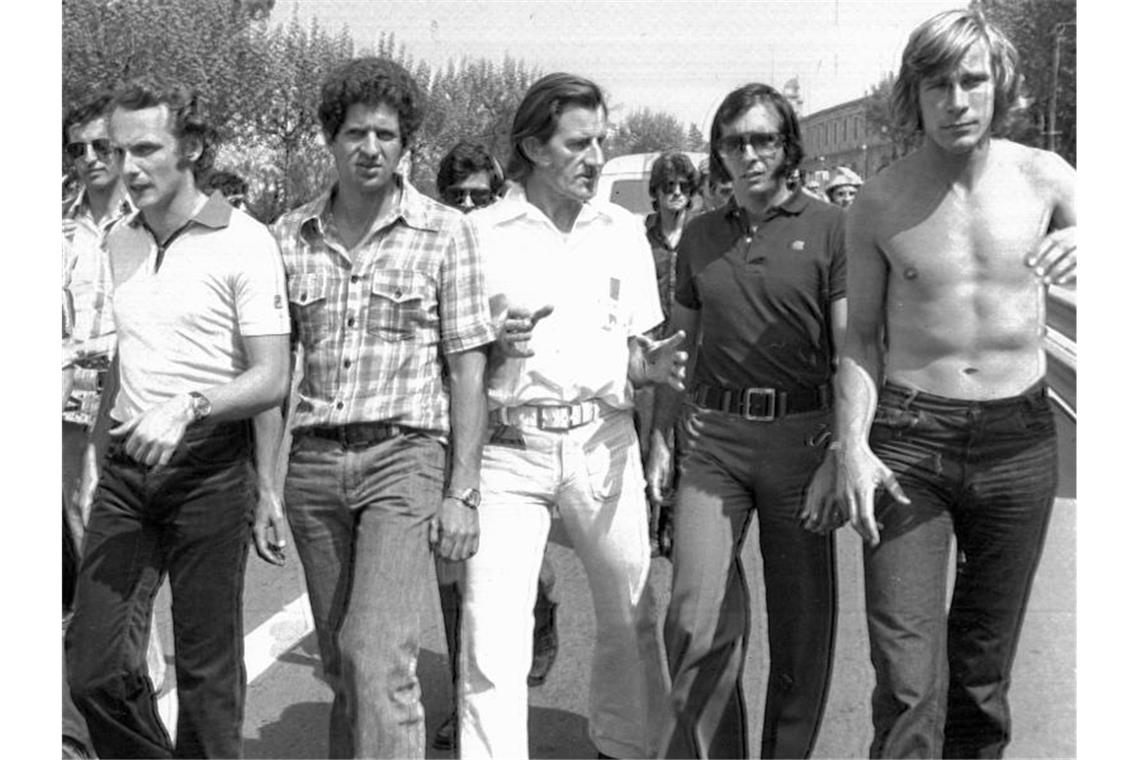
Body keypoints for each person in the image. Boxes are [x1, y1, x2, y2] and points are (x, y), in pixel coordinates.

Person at [805, 9, 1076, 757]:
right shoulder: (880, 200)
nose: (956, 100)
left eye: (971, 80)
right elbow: (859, 336)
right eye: (937, 85)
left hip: (1017, 444)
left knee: (982, 677)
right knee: (905, 677)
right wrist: (852, 447)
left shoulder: (1047, 177)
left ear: (999, 86)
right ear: (913, 96)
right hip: (909, 445)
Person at [266, 57, 496, 759]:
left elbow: (467, 368)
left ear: (406, 146)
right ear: (330, 140)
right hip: (313, 469)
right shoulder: (288, 235)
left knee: (377, 655)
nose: (371, 149)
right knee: (343, 664)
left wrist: (462, 491)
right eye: (356, 133)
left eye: (388, 136)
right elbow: (276, 374)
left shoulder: (444, 232)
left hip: (405, 460)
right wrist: (265, 490)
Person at [459, 72, 686, 759]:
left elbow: (641, 351)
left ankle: (624, 747)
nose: (596, 158)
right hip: (509, 450)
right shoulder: (478, 234)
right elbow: (458, 361)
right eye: (580, 144)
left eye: (601, 142)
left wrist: (646, 389)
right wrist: (497, 347)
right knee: (493, 635)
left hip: (603, 443)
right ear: (534, 145)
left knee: (631, 615)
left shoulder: (621, 233)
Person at [64, 77, 291, 758]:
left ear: (190, 146)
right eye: (116, 150)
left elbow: (271, 377)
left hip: (209, 470)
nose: (128, 168)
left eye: (146, 149)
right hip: (129, 472)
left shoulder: (245, 242)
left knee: (205, 673)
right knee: (94, 666)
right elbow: (126, 356)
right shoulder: (120, 241)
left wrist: (191, 408)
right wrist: (96, 458)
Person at [647, 83, 846, 759]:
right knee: (694, 621)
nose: (750, 154)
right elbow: (684, 345)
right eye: (735, 142)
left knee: (801, 632)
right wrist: (663, 440)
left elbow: (852, 350)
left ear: (788, 147)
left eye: (763, 139)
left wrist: (843, 450)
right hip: (715, 445)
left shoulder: (828, 227)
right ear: (719, 154)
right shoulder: (699, 237)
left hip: (804, 440)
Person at [429, 139, 561, 753]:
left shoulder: (513, 246)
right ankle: (463, 702)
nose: (467, 207)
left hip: (508, 431)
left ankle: (544, 602)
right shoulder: (430, 249)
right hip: (442, 433)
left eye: (480, 195)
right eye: (456, 196)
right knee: (456, 577)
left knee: (518, 572)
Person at [61, 92, 132, 557]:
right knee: (77, 509)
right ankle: (105, 628)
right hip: (68, 389)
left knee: (119, 519)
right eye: (77, 149)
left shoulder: (147, 218)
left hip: (129, 387)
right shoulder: (59, 223)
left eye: (100, 146)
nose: (89, 158)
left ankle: (135, 631)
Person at [637, 151, 700, 555]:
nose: (675, 194)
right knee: (648, 436)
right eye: (667, 188)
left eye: (682, 187)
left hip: (693, 347)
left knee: (687, 441)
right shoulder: (641, 239)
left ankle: (674, 526)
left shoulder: (699, 235)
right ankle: (647, 521)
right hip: (650, 347)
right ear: (655, 194)